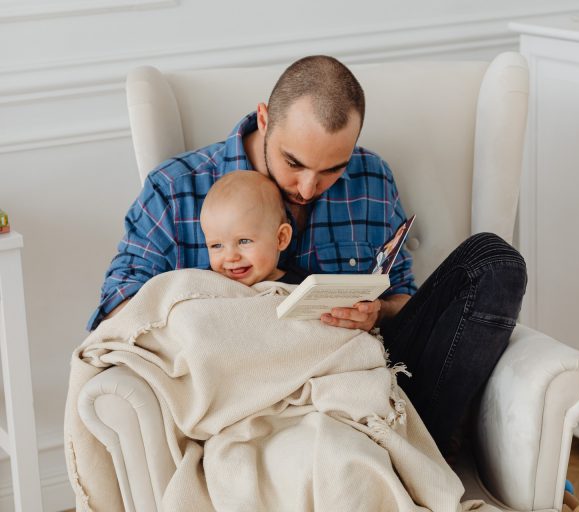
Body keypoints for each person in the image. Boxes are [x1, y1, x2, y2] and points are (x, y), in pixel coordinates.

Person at [89, 55, 527, 456]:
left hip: (364, 379)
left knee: (495, 262)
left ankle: (405, 452)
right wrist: (217, 314)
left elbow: (405, 300)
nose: (307, 188)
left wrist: (377, 312)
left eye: (333, 169)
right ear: (265, 118)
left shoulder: (371, 178)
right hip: (253, 399)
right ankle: (422, 463)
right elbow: (116, 312)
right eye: (294, 163)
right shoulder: (175, 190)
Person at [200, 170, 306, 286]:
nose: (230, 257)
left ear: (281, 238)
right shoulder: (207, 284)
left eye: (244, 241)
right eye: (216, 245)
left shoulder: (303, 286)